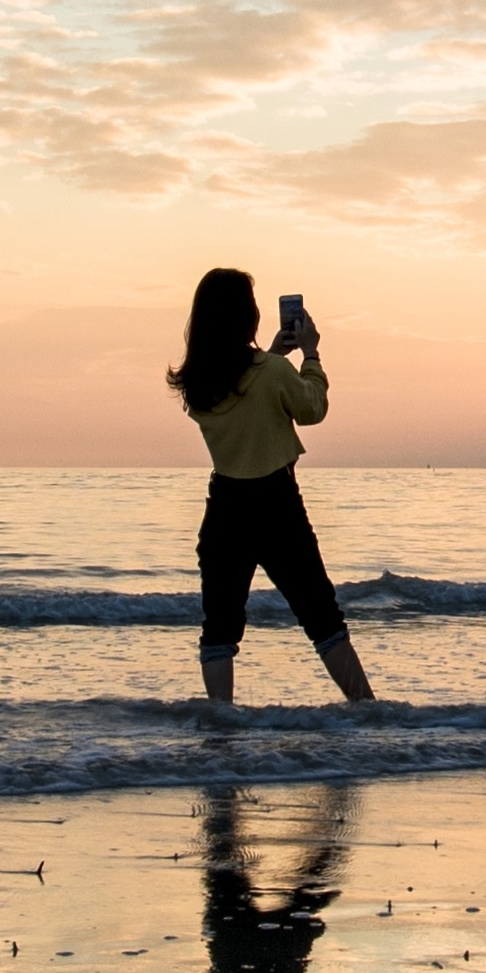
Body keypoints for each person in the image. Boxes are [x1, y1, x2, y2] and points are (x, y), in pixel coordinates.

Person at [166, 267, 374, 704]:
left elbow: (245, 386)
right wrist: (311, 357)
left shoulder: (197, 382)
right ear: (248, 315)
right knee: (321, 616)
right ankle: (367, 709)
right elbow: (311, 408)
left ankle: (222, 723)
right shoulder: (274, 372)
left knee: (220, 625)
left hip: (224, 506)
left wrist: (276, 356)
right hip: (276, 504)